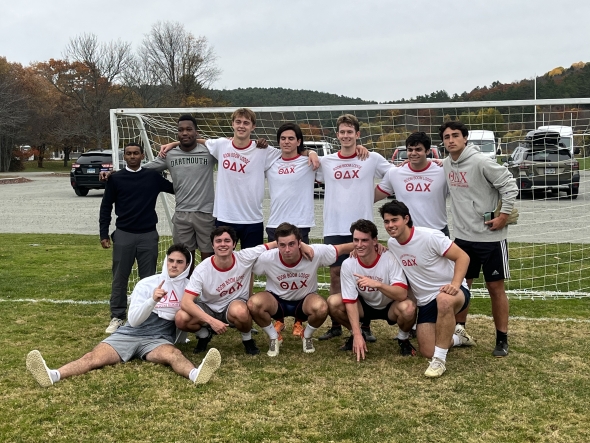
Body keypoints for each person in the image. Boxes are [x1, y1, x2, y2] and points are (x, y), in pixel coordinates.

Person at [26, 244, 221, 387]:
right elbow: (134, 320)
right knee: (93, 357)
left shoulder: (189, 288)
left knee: (174, 355)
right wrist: (152, 300)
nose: (174, 265)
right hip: (130, 333)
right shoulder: (147, 283)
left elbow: (199, 310)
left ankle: (196, 374)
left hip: (159, 339)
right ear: (165, 261)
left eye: (180, 262)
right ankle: (53, 375)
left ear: (187, 265)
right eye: (170, 260)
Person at [440, 121, 518, 357]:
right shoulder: (445, 164)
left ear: (465, 138)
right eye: (446, 137)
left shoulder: (481, 161)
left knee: (495, 288)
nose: (451, 140)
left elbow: (509, 185)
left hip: (491, 238)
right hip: (463, 239)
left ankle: (501, 339)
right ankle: (460, 331)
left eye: (455, 135)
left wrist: (504, 216)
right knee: (462, 287)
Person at [175, 226, 312, 355]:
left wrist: (302, 245)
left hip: (233, 305)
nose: (223, 244)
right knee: (181, 318)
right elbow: (186, 302)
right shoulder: (202, 269)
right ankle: (204, 335)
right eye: (218, 241)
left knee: (240, 311)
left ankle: (247, 339)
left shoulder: (245, 256)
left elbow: (275, 243)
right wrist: (211, 321)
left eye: (227, 241)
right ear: (212, 245)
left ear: (234, 244)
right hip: (209, 307)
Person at [316, 114, 391, 341]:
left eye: (350, 132)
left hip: (362, 228)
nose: (346, 136)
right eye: (342, 132)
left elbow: (394, 175)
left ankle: (364, 325)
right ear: (337, 135)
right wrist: (310, 152)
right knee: (336, 275)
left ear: (357, 135)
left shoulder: (372, 158)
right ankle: (337, 323)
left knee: (362, 276)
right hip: (334, 226)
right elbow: (306, 166)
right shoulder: (327, 161)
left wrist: (373, 197)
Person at [380, 201, 473, 377]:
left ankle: (439, 362)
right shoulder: (392, 244)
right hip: (426, 301)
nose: (390, 225)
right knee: (427, 350)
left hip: (453, 292)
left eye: (395, 220)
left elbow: (463, 257)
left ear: (406, 219)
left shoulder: (430, 236)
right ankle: (458, 338)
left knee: (444, 300)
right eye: (386, 221)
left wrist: (455, 283)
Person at [99, 142, 175, 334]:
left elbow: (176, 188)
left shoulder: (152, 177)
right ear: (124, 157)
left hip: (148, 235)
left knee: (148, 279)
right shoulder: (116, 179)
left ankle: (147, 316)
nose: (132, 156)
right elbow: (106, 206)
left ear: (142, 156)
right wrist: (103, 233)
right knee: (120, 277)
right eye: (128, 154)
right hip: (124, 234)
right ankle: (117, 316)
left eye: (136, 153)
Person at [248, 222, 354, 356]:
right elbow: (243, 262)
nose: (287, 249)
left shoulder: (313, 252)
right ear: (276, 244)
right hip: (276, 301)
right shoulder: (267, 258)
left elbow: (342, 248)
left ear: (300, 243)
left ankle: (307, 335)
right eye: (282, 245)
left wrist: (372, 245)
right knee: (253, 303)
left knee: (321, 307)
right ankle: (274, 337)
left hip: (304, 301)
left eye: (291, 244)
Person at [327, 219, 416, 361]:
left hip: (389, 305)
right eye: (356, 240)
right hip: (364, 306)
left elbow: (402, 294)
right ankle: (358, 334)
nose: (359, 245)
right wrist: (356, 334)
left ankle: (403, 338)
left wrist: (378, 285)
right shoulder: (349, 263)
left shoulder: (389, 258)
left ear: (375, 241)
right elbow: (350, 301)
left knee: (409, 308)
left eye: (364, 240)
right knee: (333, 302)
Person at [141, 115, 216, 266]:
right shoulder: (169, 155)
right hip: (182, 214)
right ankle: (187, 289)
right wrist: (114, 173)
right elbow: (142, 170)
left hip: (206, 213)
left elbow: (230, 144)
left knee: (208, 260)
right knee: (185, 259)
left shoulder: (209, 151)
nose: (185, 133)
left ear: (197, 132)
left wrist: (174, 142)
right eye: (181, 130)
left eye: (189, 129)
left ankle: (208, 290)